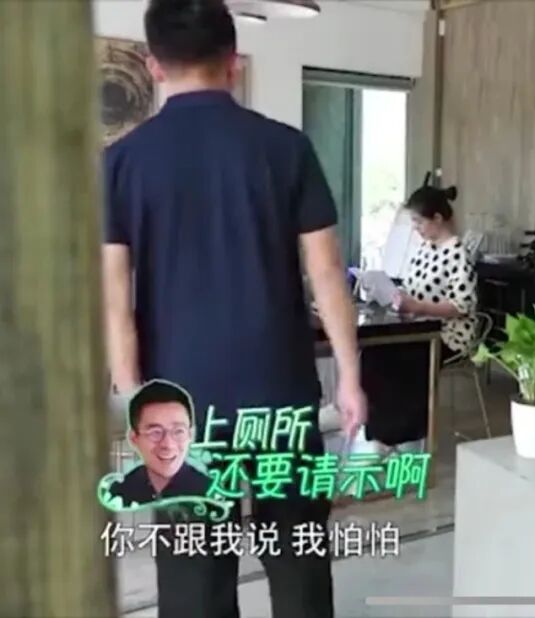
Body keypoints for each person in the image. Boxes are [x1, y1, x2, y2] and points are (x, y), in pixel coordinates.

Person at [101, 0, 366, 615]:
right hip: (280, 395)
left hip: (179, 409)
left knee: (193, 576)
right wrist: (350, 377)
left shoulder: (121, 162)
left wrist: (133, 396)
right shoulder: (286, 148)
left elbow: (114, 300)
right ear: (234, 62)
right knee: (298, 558)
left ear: (154, 65)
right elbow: (327, 273)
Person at [395, 183, 479, 360]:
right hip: (420, 330)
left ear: (437, 218)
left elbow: (461, 306)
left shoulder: (458, 253)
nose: (415, 227)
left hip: (448, 337)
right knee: (377, 352)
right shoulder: (425, 248)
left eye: (419, 222)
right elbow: (409, 286)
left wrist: (421, 308)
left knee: (390, 357)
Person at [109, 379, 210, 508]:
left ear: (191, 435)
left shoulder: (211, 495)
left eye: (178, 431)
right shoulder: (116, 495)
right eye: (155, 432)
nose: (168, 444)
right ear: (133, 438)